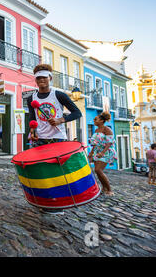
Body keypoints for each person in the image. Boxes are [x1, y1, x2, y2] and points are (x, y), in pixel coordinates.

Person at [26, 63, 82, 214]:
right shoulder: (32, 97)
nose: (41, 80)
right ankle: (46, 201)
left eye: (44, 77)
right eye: (38, 78)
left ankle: (60, 204)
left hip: (57, 138)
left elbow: (77, 113)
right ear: (35, 80)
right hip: (40, 139)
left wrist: (60, 120)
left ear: (50, 78)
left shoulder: (59, 95)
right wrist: (32, 131)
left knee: (58, 172)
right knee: (43, 172)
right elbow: (33, 118)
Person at [88, 112, 116, 195]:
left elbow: (109, 142)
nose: (94, 120)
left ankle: (110, 190)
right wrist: (91, 153)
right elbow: (95, 143)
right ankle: (104, 188)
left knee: (98, 170)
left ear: (101, 120)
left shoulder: (107, 129)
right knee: (97, 171)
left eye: (95, 119)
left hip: (106, 152)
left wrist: (103, 153)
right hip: (97, 151)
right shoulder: (96, 130)